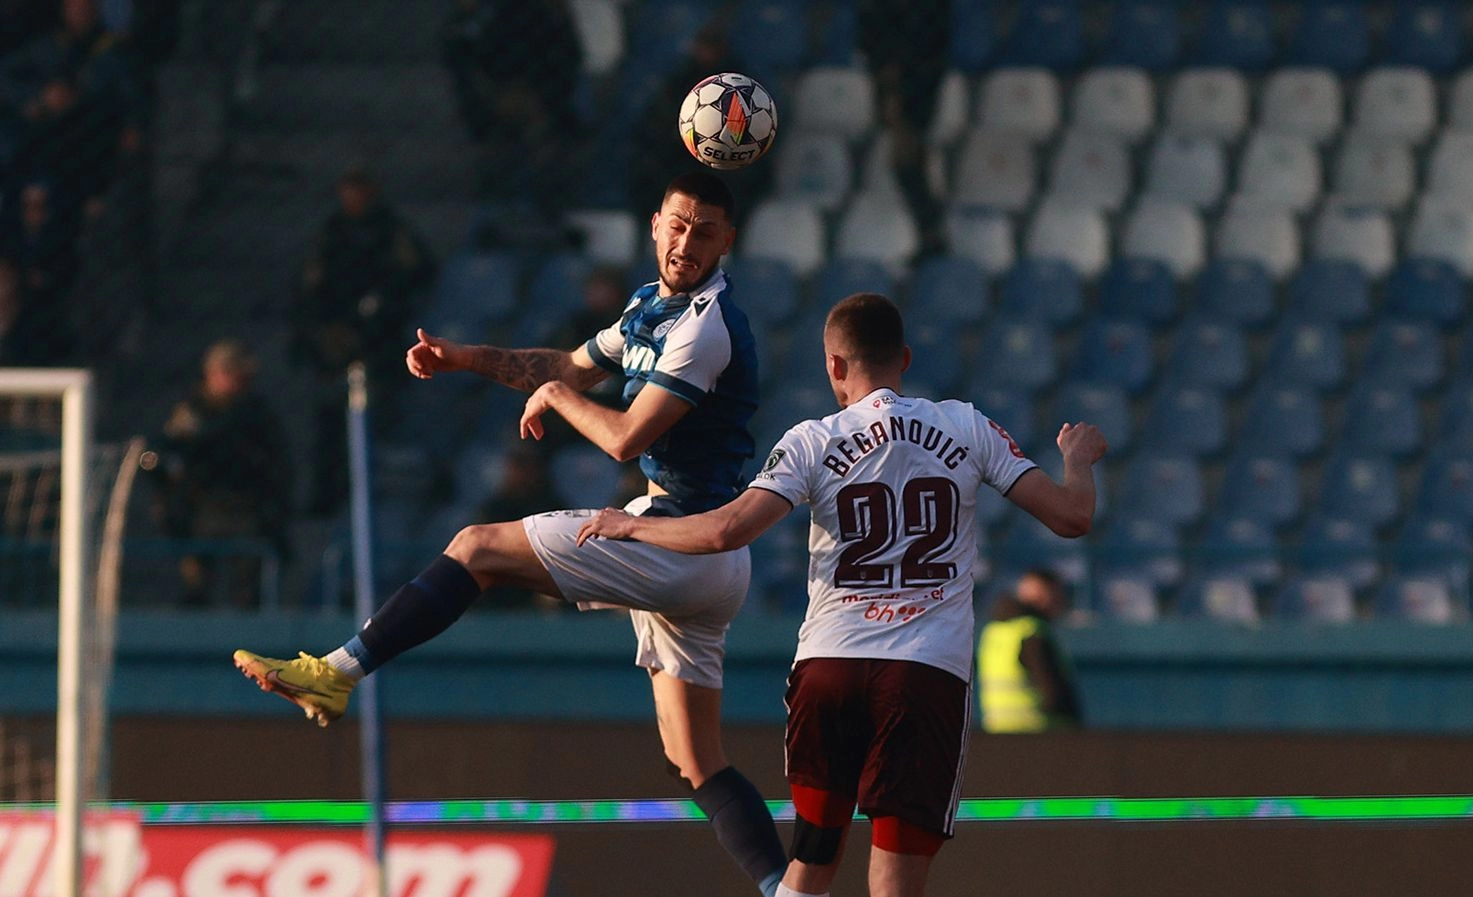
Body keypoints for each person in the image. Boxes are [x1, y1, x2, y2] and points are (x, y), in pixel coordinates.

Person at [235, 171, 788, 896]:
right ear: (654, 224)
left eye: (704, 231)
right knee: (696, 761)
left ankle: (336, 671)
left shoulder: (705, 327)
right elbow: (561, 366)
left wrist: (557, 398)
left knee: (474, 548)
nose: (686, 242)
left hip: (681, 543)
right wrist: (464, 357)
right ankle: (788, 888)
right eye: (677, 225)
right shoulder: (649, 308)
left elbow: (622, 438)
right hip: (699, 556)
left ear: (727, 242)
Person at [576, 292, 1107, 897]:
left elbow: (726, 530)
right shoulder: (966, 424)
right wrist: (1078, 460)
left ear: (833, 365)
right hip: (924, 675)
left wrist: (634, 523)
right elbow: (1071, 517)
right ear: (903, 357)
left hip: (829, 669)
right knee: (897, 875)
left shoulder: (813, 439)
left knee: (812, 860)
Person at [291, 164, 436, 514]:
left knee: (375, 424)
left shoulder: (390, 232)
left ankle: (366, 501)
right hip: (333, 346)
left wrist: (382, 306)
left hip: (378, 345)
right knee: (329, 423)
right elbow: (309, 289)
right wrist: (323, 332)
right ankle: (328, 496)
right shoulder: (331, 233)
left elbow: (419, 272)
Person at [151, 339, 294, 608]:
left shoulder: (256, 414)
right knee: (197, 583)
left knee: (248, 585)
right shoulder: (194, 412)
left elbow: (276, 462)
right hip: (203, 506)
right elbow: (170, 457)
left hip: (245, 506)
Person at [978, 568, 1083, 733]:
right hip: (1039, 736)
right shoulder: (1032, 632)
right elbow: (1052, 694)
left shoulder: (993, 631)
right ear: (1045, 594)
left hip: (999, 735)